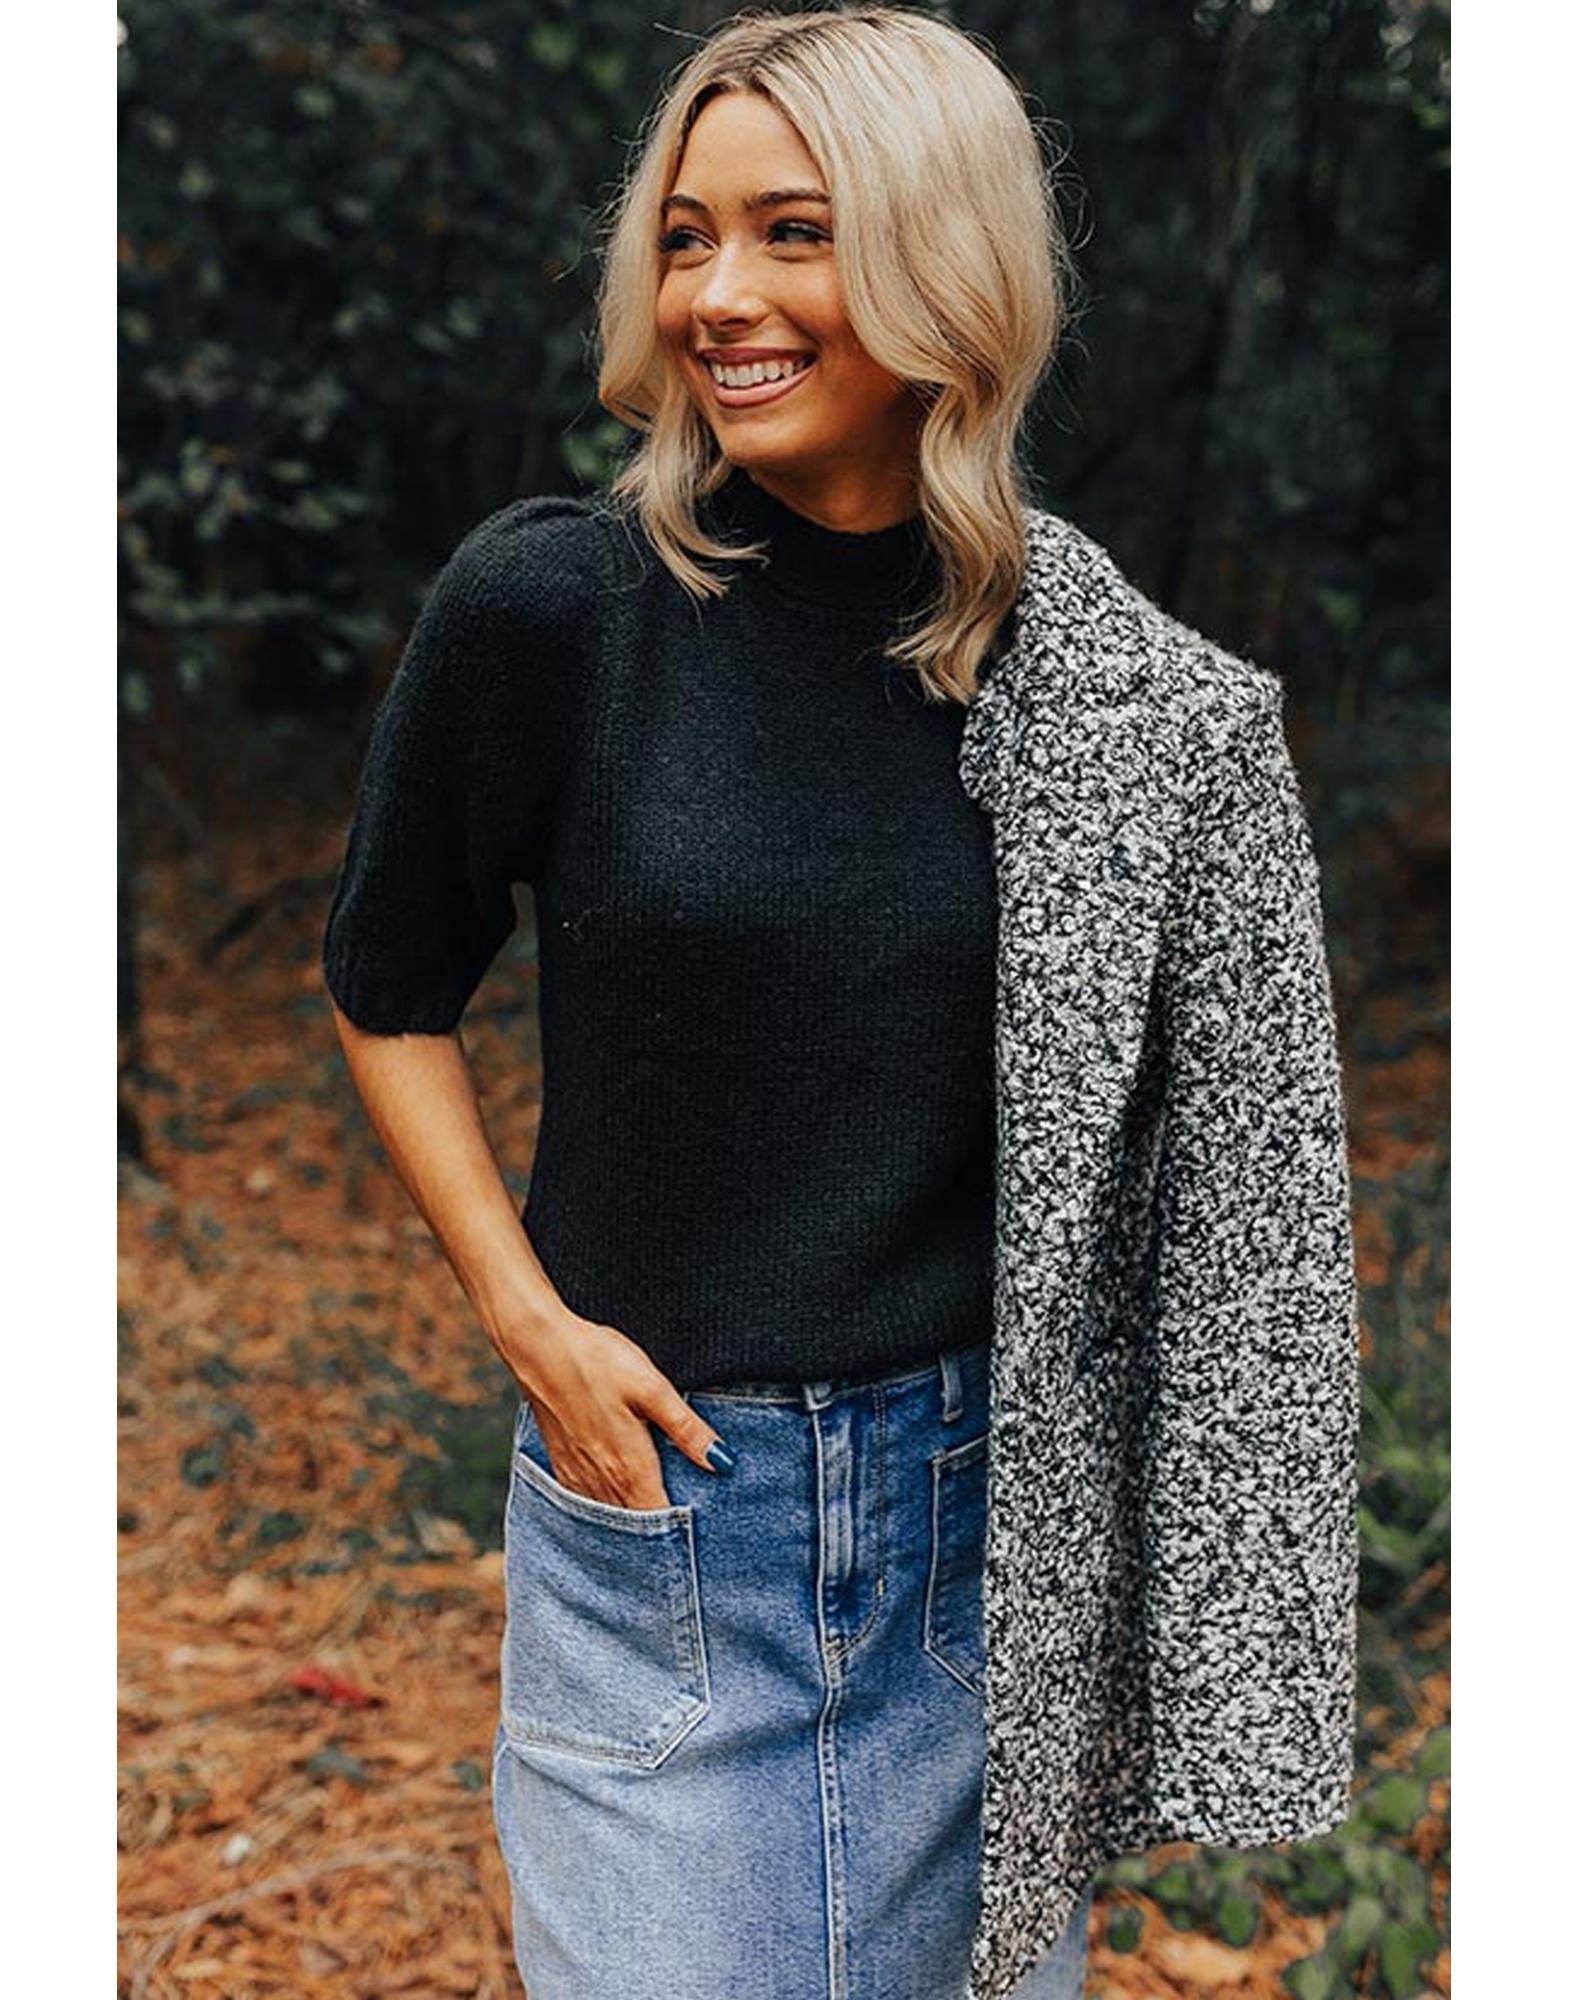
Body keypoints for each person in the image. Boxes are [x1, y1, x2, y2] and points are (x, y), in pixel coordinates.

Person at [322, 9, 1359, 2000]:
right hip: (664, 1528)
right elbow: (387, 988)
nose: (718, 295)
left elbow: (1224, 1194)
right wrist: (527, 1324)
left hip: (981, 1548)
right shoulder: (554, 611)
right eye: (686, 238)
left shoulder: (1104, 692)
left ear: (938, 257)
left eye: (791, 233)